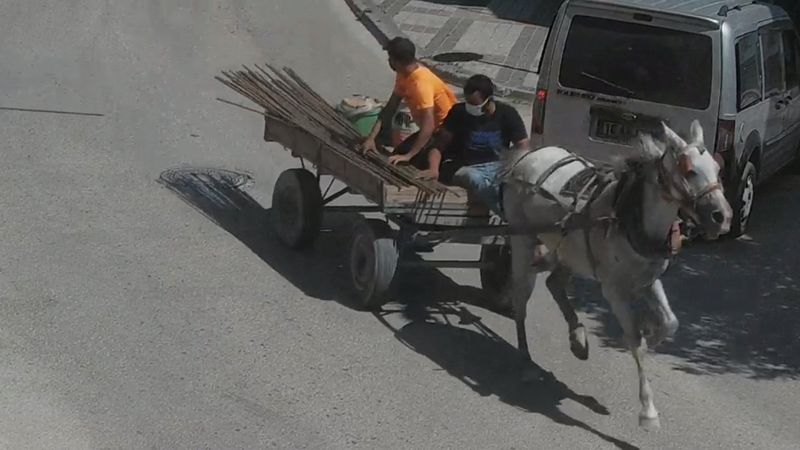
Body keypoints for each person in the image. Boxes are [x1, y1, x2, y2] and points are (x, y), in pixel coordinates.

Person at [420, 74, 529, 216]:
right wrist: (433, 169)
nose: (471, 108)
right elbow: (438, 145)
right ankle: (506, 215)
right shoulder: (458, 113)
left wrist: (513, 167)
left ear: (488, 100)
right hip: (464, 166)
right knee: (475, 179)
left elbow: (523, 147)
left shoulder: (507, 114)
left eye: (475, 105)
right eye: (468, 103)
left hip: (497, 166)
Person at [359, 37, 457, 169]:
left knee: (404, 164)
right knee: (397, 154)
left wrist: (409, 155)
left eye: (390, 57)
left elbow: (429, 125)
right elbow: (390, 108)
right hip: (432, 131)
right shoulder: (403, 75)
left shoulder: (420, 84)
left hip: (445, 133)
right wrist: (371, 138)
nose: (388, 61)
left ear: (397, 61)